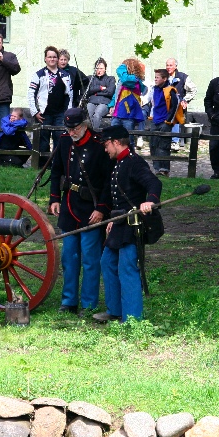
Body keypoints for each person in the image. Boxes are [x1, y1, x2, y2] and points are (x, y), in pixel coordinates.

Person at [94, 125, 162, 323]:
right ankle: (115, 310)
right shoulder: (119, 162)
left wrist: (150, 200)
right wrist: (113, 219)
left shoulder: (134, 163)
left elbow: (154, 183)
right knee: (107, 262)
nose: (105, 149)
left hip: (133, 225)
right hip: (120, 223)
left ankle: (132, 319)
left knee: (127, 268)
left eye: (106, 144)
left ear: (116, 142)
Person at [49, 108, 111, 314]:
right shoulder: (64, 141)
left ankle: (89, 303)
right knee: (69, 257)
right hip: (69, 204)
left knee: (91, 259)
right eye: (69, 128)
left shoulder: (98, 144)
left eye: (75, 128)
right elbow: (56, 170)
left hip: (91, 207)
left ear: (84, 125)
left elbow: (108, 181)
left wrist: (101, 209)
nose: (72, 132)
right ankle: (69, 301)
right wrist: (54, 198)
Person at [28, 46, 72, 154]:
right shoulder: (39, 75)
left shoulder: (65, 75)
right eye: (49, 57)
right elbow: (31, 94)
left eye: (54, 57)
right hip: (43, 114)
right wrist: (35, 112)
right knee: (43, 141)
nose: (52, 59)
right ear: (45, 59)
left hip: (60, 114)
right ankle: (43, 162)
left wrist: (68, 112)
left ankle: (57, 162)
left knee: (60, 139)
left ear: (57, 59)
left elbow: (69, 95)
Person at [149, 69, 179, 177]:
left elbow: (175, 106)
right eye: (155, 77)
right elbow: (152, 104)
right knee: (153, 145)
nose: (155, 79)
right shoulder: (154, 89)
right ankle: (157, 168)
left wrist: (168, 121)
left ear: (164, 79)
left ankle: (164, 169)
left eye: (157, 77)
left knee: (163, 146)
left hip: (164, 121)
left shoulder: (170, 90)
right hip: (155, 120)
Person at [165, 57, 198, 152]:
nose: (168, 67)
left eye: (171, 65)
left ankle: (174, 141)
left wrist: (185, 100)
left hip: (178, 105)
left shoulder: (183, 77)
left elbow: (193, 89)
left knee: (175, 113)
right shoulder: (163, 76)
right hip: (165, 104)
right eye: (167, 65)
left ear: (175, 66)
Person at [110, 58, 146, 132]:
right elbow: (116, 94)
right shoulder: (122, 81)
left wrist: (121, 67)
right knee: (114, 135)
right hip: (118, 113)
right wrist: (112, 105)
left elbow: (125, 79)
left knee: (128, 136)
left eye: (124, 67)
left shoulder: (134, 80)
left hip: (128, 115)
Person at [84, 58, 116, 131]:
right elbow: (87, 91)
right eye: (97, 68)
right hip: (91, 101)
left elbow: (110, 92)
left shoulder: (110, 79)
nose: (99, 70)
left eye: (101, 68)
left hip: (104, 103)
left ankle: (94, 133)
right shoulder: (90, 78)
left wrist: (95, 93)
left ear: (105, 69)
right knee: (88, 114)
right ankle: (87, 133)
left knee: (97, 114)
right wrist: (100, 88)